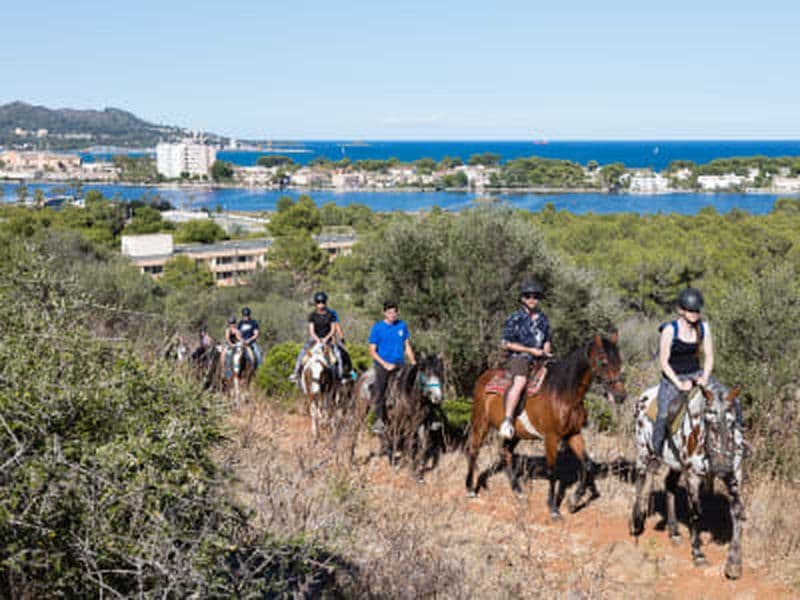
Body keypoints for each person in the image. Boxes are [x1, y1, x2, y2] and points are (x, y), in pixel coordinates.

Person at [651, 287, 734, 462]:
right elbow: (664, 362)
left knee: (727, 399)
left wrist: (704, 376)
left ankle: (736, 441)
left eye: (696, 310)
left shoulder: (704, 328)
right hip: (674, 378)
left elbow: (709, 356)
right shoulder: (669, 330)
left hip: (697, 374)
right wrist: (679, 384)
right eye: (690, 310)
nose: (694, 314)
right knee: (664, 414)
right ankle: (656, 452)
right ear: (681, 310)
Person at [499, 280, 553, 440]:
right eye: (528, 296)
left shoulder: (543, 319)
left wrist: (546, 352)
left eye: (535, 296)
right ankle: (507, 420)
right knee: (520, 382)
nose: (532, 299)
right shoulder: (515, 318)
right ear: (522, 298)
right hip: (519, 357)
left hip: (540, 357)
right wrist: (529, 350)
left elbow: (547, 339)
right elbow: (505, 343)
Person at [368, 300, 416, 434]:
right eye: (389, 312)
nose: (392, 315)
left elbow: (407, 345)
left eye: (394, 312)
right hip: (383, 363)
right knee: (380, 389)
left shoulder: (402, 326)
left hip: (399, 362)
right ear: (384, 313)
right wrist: (385, 364)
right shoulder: (377, 328)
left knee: (416, 386)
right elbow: (372, 350)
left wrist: (413, 362)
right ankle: (379, 421)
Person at [290, 291, 349, 382]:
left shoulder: (331, 315)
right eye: (318, 302)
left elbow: (333, 329)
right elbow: (312, 331)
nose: (320, 304)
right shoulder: (312, 315)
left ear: (325, 302)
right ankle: (296, 373)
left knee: (338, 355)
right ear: (315, 303)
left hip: (327, 339)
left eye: (322, 302)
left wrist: (326, 339)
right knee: (302, 353)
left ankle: (341, 376)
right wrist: (318, 340)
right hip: (315, 339)